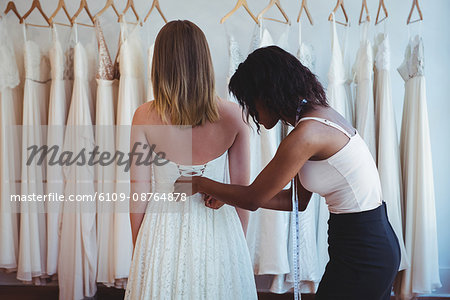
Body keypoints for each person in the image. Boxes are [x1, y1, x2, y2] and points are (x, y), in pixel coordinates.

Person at [175, 46, 401, 300]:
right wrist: (227, 197)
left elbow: (253, 198)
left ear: (267, 93)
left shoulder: (306, 135)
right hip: (360, 242)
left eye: (250, 100)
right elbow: (295, 201)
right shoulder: (315, 119)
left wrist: (199, 182)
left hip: (364, 249)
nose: (251, 112)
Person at [125, 20, 257, 299]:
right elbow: (242, 193)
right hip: (220, 229)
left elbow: (139, 190)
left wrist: (140, 249)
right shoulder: (235, 116)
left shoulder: (144, 116)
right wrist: (238, 247)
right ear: (204, 61)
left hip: (162, 232)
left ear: (159, 65)